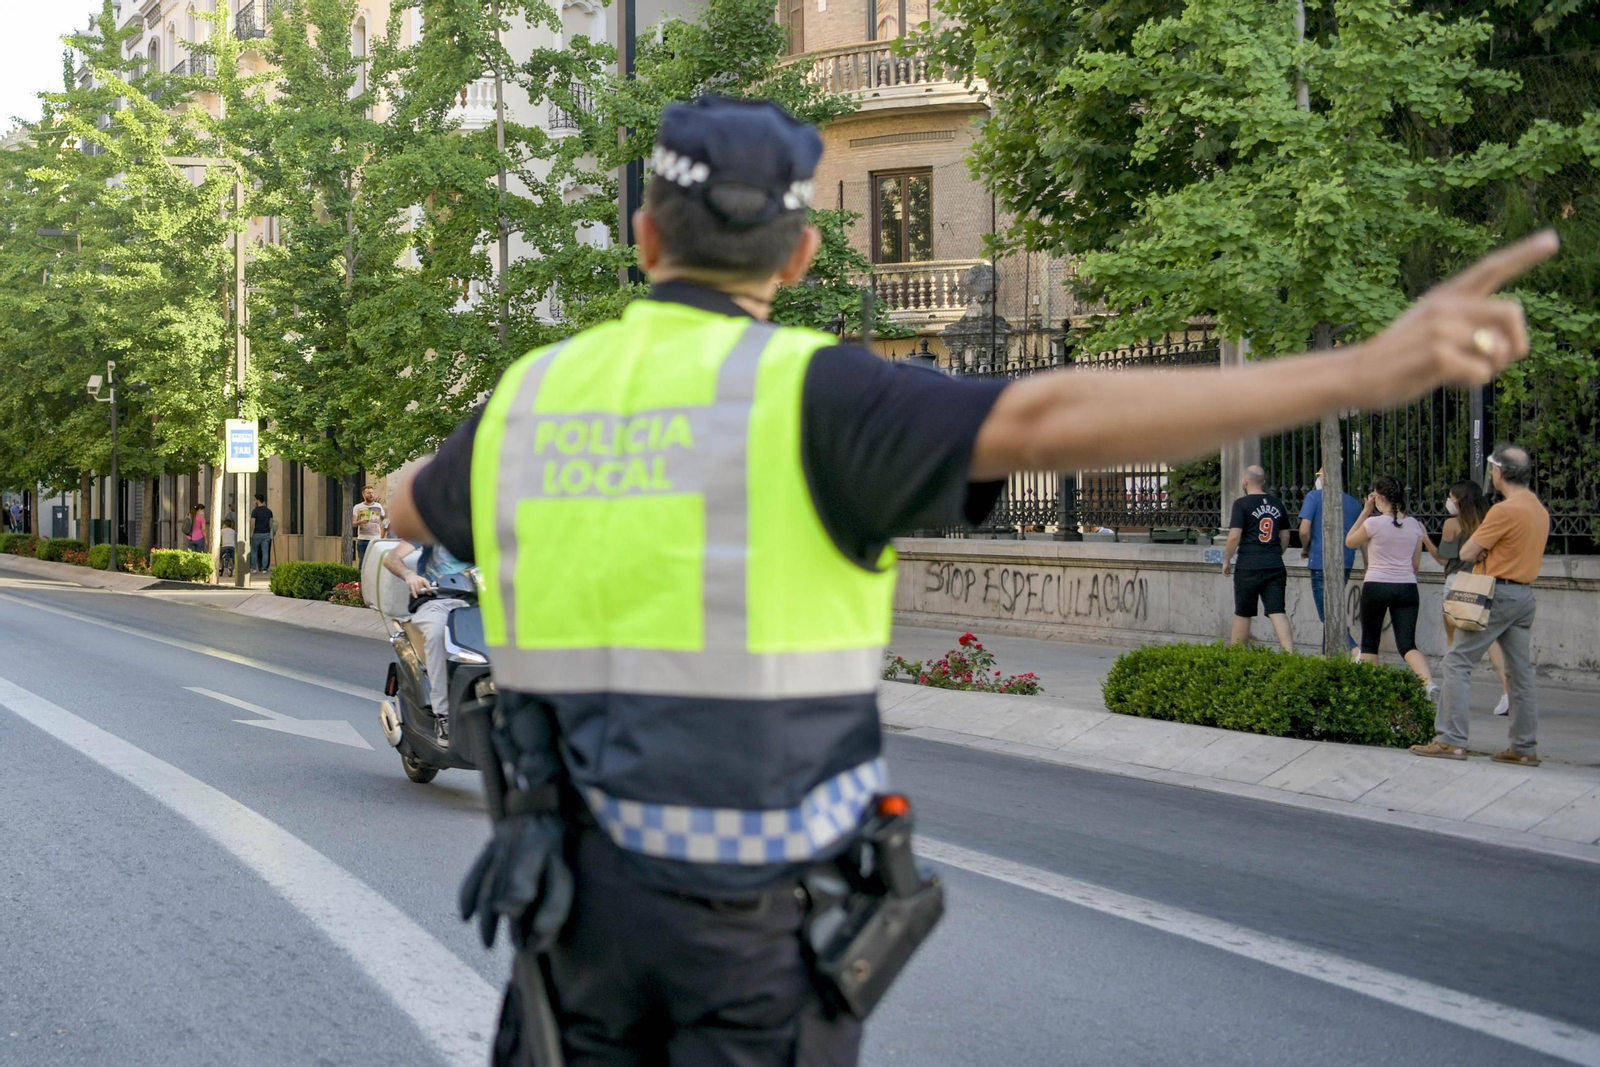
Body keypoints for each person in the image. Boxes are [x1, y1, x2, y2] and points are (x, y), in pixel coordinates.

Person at [385, 95, 1554, 1067]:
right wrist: (1360, 367)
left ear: (646, 236)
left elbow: (403, 504)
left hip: (567, 925)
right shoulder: (820, 396)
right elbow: (1046, 414)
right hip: (743, 947)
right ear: (797, 254)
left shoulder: (533, 400)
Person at [1413, 445, 1549, 765]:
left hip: (1495, 592)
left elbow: (1466, 552)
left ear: (1499, 473)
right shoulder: (1539, 510)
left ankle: (1450, 740)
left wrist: (1483, 551)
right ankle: (1523, 747)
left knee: (1457, 662)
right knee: (1520, 673)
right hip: (1524, 596)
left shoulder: (1504, 510)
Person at [1424, 480, 1511, 715]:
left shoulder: (1452, 524)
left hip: (1457, 583)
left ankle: (1455, 695)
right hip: (1483, 583)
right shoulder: (1488, 521)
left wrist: (1425, 539)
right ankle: (1507, 691)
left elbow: (1443, 559)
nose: (1449, 502)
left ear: (1460, 501)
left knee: (1455, 643)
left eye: (1451, 497)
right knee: (1491, 640)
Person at [1345, 475, 1434, 692]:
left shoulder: (1373, 523)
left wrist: (1365, 511)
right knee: (1407, 644)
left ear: (1379, 497)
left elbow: (1349, 541)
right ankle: (1429, 684)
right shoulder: (1415, 525)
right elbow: (1415, 565)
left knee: (1369, 642)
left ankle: (1372, 691)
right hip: (1407, 587)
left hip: (1376, 585)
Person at [381, 539, 472, 740]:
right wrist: (409, 575)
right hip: (438, 600)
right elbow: (391, 559)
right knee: (438, 634)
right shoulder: (432, 525)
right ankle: (443, 715)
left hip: (481, 604)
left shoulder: (494, 526)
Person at [1222, 465, 1294, 652]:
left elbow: (1234, 536)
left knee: (1243, 612)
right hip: (1274, 564)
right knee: (1277, 610)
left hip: (1248, 565)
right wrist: (1276, 553)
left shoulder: (1241, 504)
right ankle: (1290, 654)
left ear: (1245, 481)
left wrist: (1227, 560)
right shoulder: (1277, 503)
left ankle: (1236, 655)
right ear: (1263, 482)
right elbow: (1285, 535)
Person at [1298, 467, 1360, 650]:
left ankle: (1355, 651)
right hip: (1346, 561)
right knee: (1333, 610)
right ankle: (1328, 656)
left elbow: (1304, 530)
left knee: (1328, 615)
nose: (1317, 478)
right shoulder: (1354, 503)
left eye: (1319, 475)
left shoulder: (1314, 497)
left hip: (1320, 561)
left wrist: (1305, 548)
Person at [352, 486, 389, 567]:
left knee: (375, 563)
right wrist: (360, 522)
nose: (371, 495)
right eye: (368, 493)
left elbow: (385, 520)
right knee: (363, 563)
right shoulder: (358, 507)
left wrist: (383, 532)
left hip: (376, 539)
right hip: (363, 540)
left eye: (372, 493)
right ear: (363, 495)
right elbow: (353, 523)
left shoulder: (378, 506)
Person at [249, 494, 273, 574]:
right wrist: (270, 531)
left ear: (257, 500)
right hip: (266, 533)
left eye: (254, 500)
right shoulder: (269, 511)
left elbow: (252, 523)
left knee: (254, 551)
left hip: (257, 533)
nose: (254, 501)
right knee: (265, 551)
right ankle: (264, 568)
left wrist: (250, 532)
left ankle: (254, 568)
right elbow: (271, 523)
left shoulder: (255, 511)